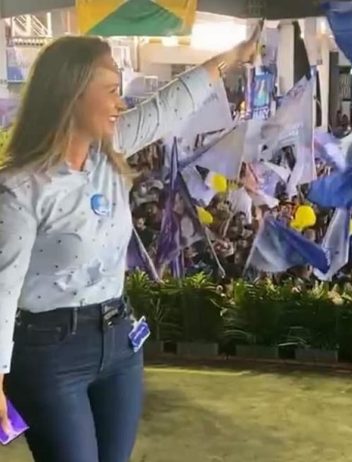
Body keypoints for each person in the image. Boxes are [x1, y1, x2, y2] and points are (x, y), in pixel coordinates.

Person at [0, 27, 260, 462]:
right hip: (49, 356)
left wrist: (234, 55)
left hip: (120, 343)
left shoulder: (110, 150)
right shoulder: (20, 188)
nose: (121, 103)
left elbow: (171, 104)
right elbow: (3, 289)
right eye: (111, 91)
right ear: (71, 96)